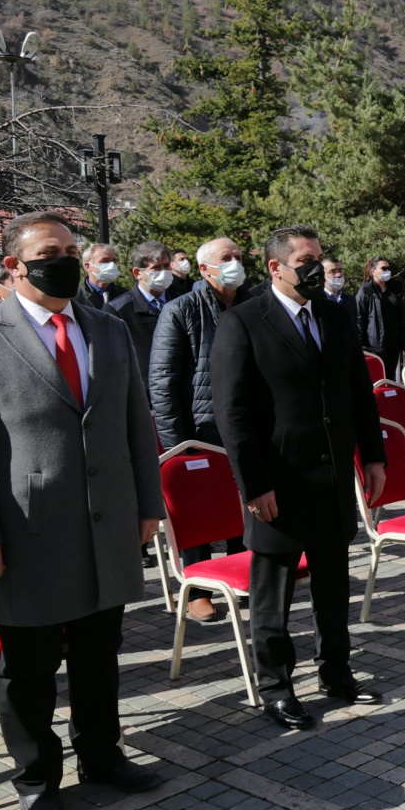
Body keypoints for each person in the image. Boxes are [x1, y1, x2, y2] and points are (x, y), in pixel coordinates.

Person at [0, 211, 165, 810]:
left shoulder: (107, 329)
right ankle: (36, 779)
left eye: (70, 250)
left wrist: (148, 504)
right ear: (14, 266)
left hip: (107, 524)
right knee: (29, 668)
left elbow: (136, 423)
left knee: (99, 653)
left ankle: (102, 754)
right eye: (49, 253)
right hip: (25, 532)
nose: (64, 261)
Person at [211, 225, 388, 730]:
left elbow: (359, 392)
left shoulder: (334, 314)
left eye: (318, 258)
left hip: (331, 476)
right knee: (274, 593)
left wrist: (373, 457)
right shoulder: (244, 321)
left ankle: (336, 671)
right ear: (275, 267)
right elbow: (234, 414)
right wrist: (254, 484)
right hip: (279, 481)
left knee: (333, 583)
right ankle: (276, 687)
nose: (316, 269)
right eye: (305, 261)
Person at [148, 236, 250, 624]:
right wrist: (178, 445)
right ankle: (198, 590)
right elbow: (163, 383)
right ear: (205, 269)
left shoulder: (252, 304)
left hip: (244, 427)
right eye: (227, 257)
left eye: (238, 256)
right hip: (200, 430)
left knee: (245, 506)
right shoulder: (180, 310)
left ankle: (242, 574)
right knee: (199, 513)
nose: (236, 262)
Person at [107, 240, 175, 384]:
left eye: (167, 266)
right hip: (142, 389)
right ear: (138, 273)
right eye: (156, 268)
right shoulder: (118, 310)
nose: (164, 272)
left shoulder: (181, 302)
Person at [355, 256, 405, 379]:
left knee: (390, 378)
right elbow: (359, 320)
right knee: (376, 379)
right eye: (384, 268)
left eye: (388, 268)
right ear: (373, 271)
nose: (387, 271)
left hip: (392, 345)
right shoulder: (365, 292)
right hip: (373, 347)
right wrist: (362, 347)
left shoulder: (394, 289)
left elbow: (401, 317)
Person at [77, 242, 127, 311]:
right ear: (87, 266)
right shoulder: (74, 298)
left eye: (114, 261)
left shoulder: (126, 296)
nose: (112, 265)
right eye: (105, 261)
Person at [322, 258, 359, 328]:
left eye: (340, 270)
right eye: (332, 272)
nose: (338, 275)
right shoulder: (318, 300)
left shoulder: (350, 300)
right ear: (322, 275)